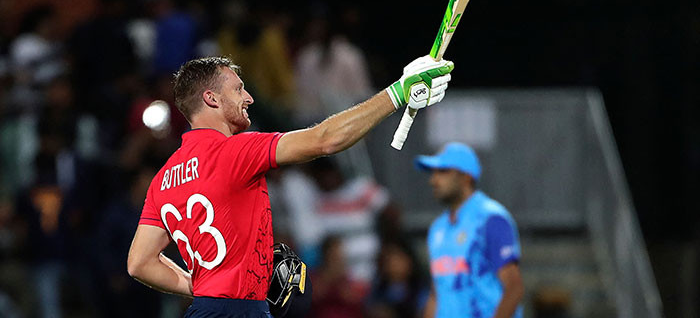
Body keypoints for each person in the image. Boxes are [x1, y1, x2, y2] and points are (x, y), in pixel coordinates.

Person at [126, 55, 453, 318]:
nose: (249, 98)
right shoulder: (236, 151)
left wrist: (201, 288)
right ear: (211, 99)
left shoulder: (163, 178)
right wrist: (397, 93)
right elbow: (326, 139)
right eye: (238, 89)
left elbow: (139, 263)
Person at [415, 143, 524, 318]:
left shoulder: (490, 219)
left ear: (465, 177)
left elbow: (513, 288)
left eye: (443, 171)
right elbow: (437, 294)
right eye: (433, 173)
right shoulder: (437, 228)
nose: (433, 180)